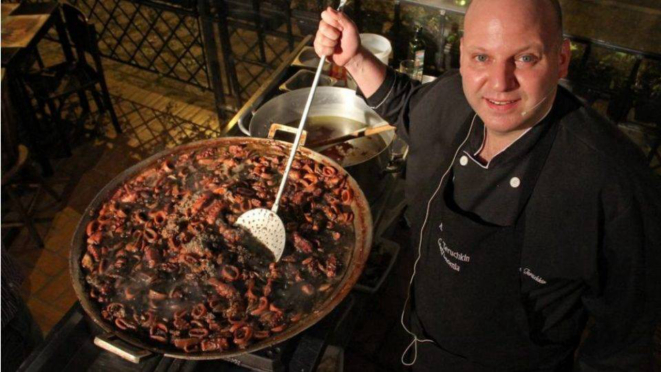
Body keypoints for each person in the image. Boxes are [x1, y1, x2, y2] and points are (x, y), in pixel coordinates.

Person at [314, 0, 661, 371]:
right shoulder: (450, 99)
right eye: (482, 57)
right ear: (462, 55)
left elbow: (623, 343)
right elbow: (409, 109)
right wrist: (352, 59)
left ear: (561, 59)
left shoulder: (615, 184)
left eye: (525, 58)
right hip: (422, 343)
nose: (500, 83)